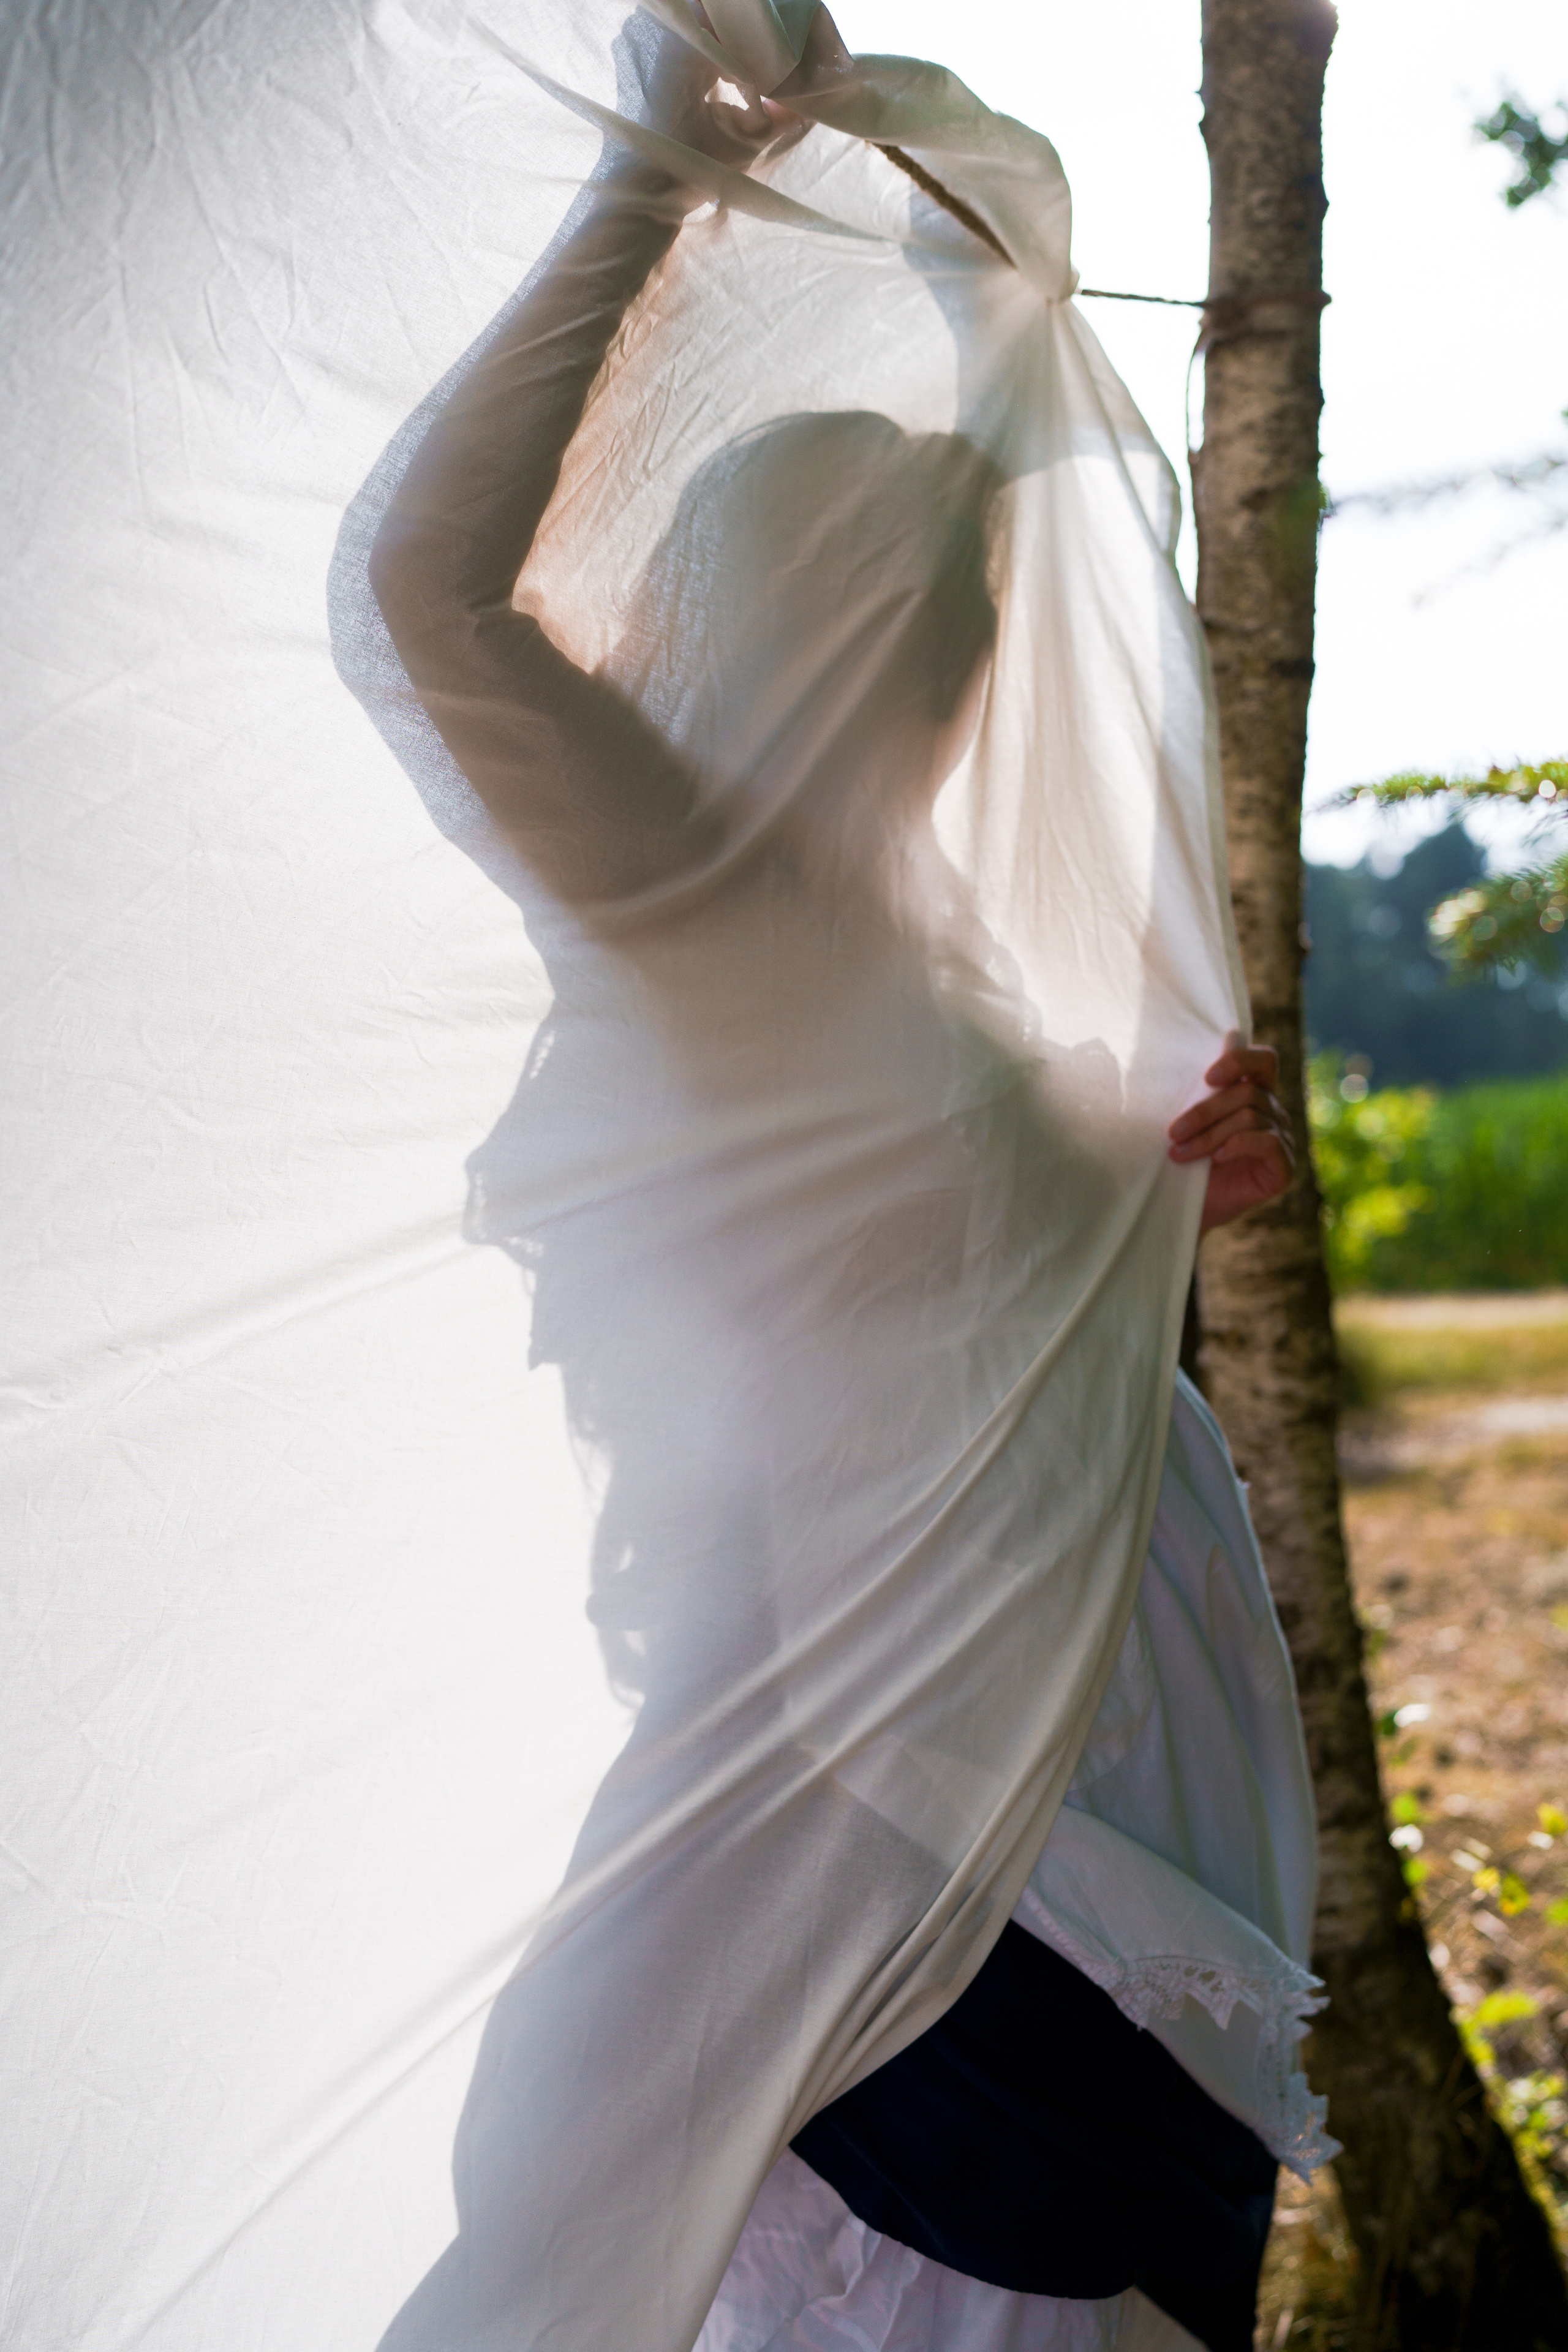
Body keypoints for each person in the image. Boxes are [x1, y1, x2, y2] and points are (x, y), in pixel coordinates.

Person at [366, 17, 1319, 2350]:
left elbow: (937, 1297)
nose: (959, 631)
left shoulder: (928, 954)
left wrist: (1153, 1179)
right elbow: (431, 597)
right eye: (888, 576)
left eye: (955, 591)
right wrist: (651, 195)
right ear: (755, 623)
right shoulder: (704, 909)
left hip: (1049, 1818)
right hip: (870, 1881)